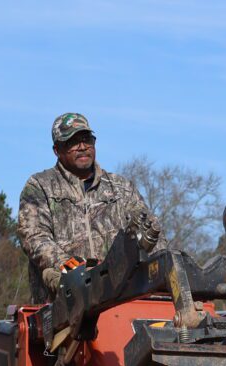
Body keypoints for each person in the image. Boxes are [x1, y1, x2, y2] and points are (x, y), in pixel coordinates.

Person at [17, 112, 165, 302]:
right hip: (65, 305)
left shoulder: (121, 187)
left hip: (121, 299)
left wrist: (165, 270)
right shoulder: (39, 186)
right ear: (57, 149)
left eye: (87, 139)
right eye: (73, 142)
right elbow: (35, 237)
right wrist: (75, 270)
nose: (82, 147)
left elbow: (150, 232)